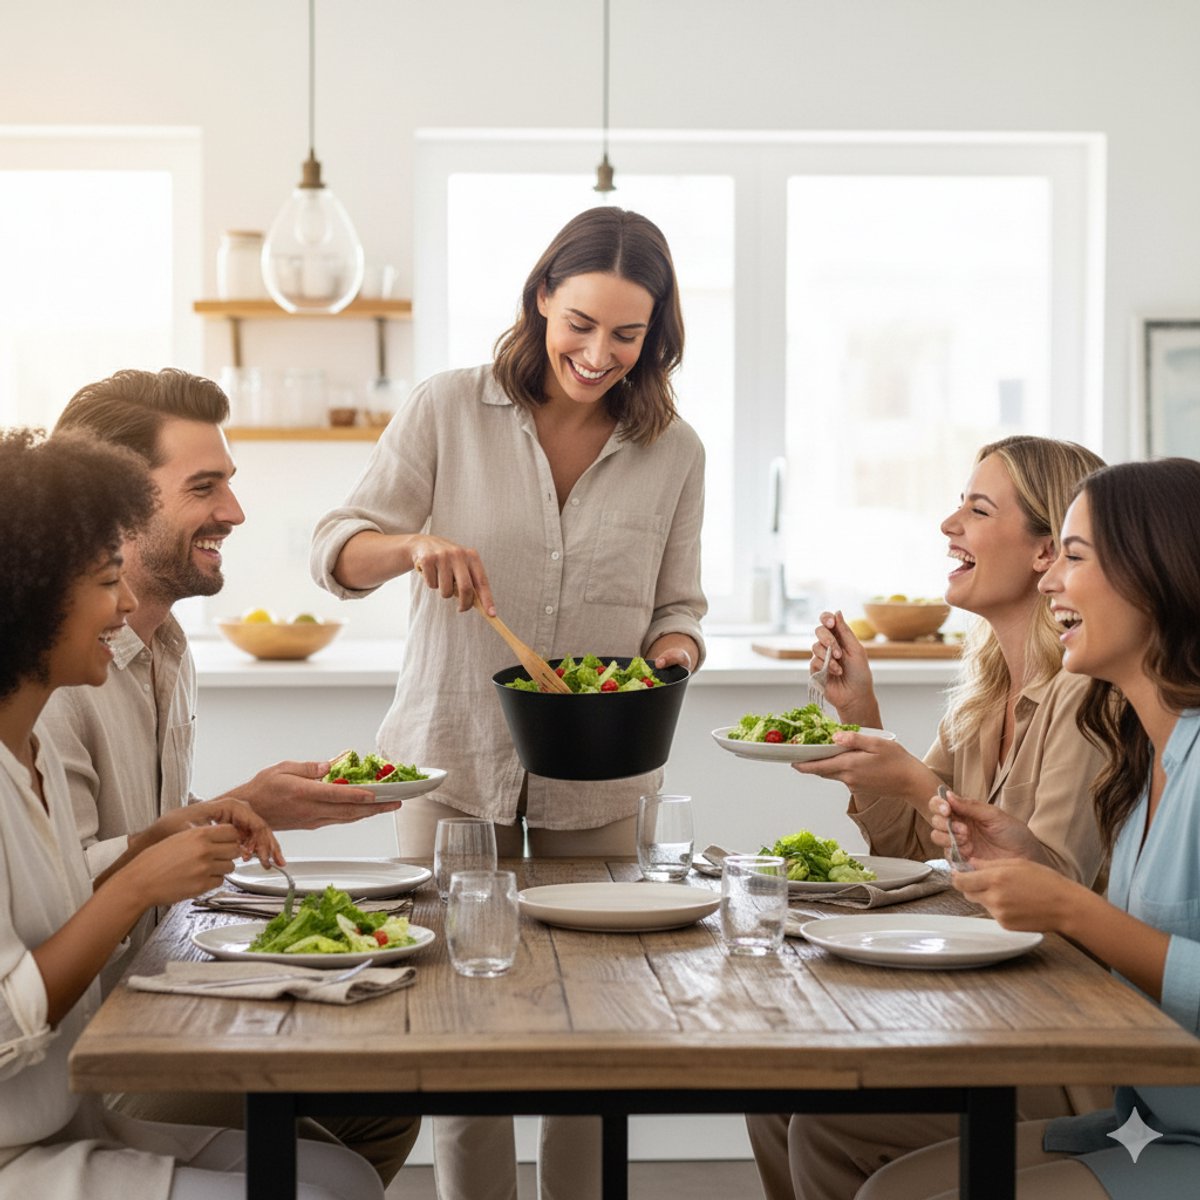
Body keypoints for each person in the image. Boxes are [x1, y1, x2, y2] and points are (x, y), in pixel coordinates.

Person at [311, 206, 707, 1200]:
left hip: (601, 777)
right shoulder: (448, 407)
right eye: (581, 323)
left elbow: (681, 610)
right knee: (458, 1037)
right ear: (541, 299)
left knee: (596, 1039)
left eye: (627, 334)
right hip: (449, 768)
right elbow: (337, 551)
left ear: (655, 332)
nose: (599, 352)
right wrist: (411, 546)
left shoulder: (675, 449)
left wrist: (666, 660)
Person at [43, 368, 417, 1185]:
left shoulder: (169, 650)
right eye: (203, 487)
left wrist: (241, 804)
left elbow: (133, 835)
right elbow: (58, 890)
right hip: (82, 1052)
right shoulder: (47, 685)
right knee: (342, 1136)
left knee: (387, 1096)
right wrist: (221, 816)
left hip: (149, 995)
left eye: (229, 485)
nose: (235, 513)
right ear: (111, 505)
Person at [748, 435, 1112, 1200]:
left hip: (1060, 1037)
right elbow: (918, 848)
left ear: (1049, 551)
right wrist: (862, 714)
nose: (949, 524)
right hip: (982, 1000)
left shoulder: (1086, 701)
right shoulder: (983, 695)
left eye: (977, 510)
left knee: (819, 1127)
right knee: (770, 1093)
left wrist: (916, 782)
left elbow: (1052, 894)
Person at [861, 456, 1200, 1199]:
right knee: (892, 1188)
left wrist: (1069, 907)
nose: (1051, 581)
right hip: (1145, 1119)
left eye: (1074, 559)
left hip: (1174, 1132)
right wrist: (1030, 867)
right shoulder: (1146, 764)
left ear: (1156, 576)